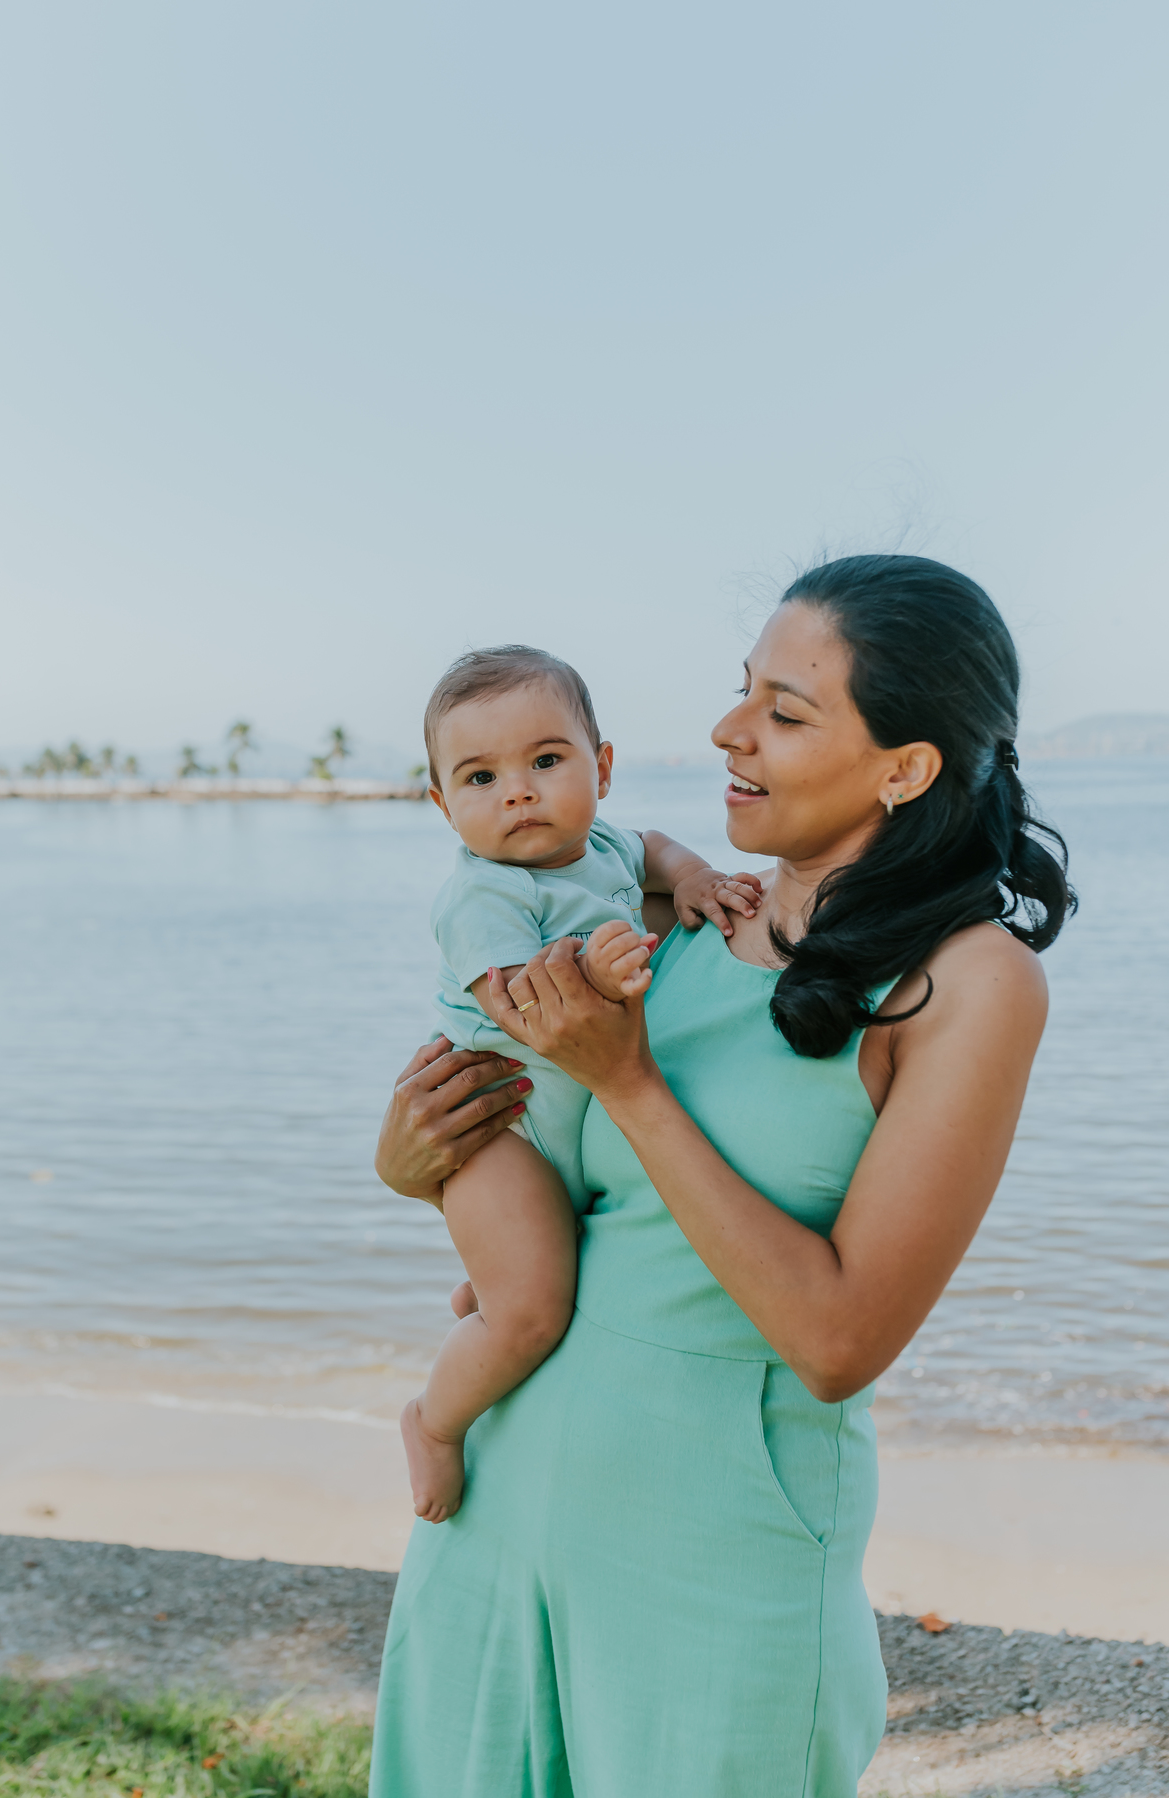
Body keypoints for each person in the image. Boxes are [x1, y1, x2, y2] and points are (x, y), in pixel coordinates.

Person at [370, 555, 1074, 1798]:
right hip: (496, 1504)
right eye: (742, 689)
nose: (726, 729)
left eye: (785, 711)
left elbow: (839, 1339)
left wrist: (631, 1082)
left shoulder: (970, 981)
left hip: (712, 1550)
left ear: (905, 766)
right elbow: (580, 1207)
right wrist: (415, 1163)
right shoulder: (676, 929)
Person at [404, 644, 762, 1522]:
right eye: (480, 778)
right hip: (507, 1129)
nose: (518, 791)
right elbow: (528, 1009)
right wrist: (601, 971)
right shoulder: (484, 895)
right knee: (528, 1317)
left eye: (546, 761)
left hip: (568, 1127)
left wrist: (696, 879)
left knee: (523, 1278)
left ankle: (485, 1287)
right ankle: (436, 1422)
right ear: (445, 807)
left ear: (601, 767)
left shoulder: (601, 845)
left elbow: (657, 851)